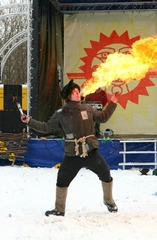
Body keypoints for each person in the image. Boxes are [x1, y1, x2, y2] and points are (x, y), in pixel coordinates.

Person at [20, 79, 120, 217]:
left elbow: (103, 117)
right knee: (62, 179)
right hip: (72, 154)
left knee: (105, 173)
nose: (78, 94)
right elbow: (46, 127)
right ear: (68, 96)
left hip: (90, 151)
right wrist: (29, 121)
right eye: (75, 92)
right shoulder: (61, 113)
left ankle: (109, 201)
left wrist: (112, 103)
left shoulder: (87, 108)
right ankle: (59, 209)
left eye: (78, 92)